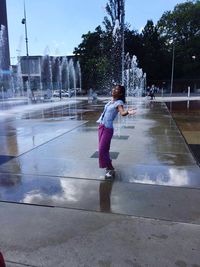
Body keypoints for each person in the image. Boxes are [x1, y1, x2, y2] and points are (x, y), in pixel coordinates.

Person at [97, 84, 136, 179]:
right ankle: (108, 167)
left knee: (102, 150)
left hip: (107, 129)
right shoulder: (110, 102)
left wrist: (127, 112)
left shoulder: (119, 102)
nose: (114, 90)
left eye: (116, 89)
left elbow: (122, 112)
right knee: (104, 150)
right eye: (114, 88)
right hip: (101, 126)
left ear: (120, 93)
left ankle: (111, 168)